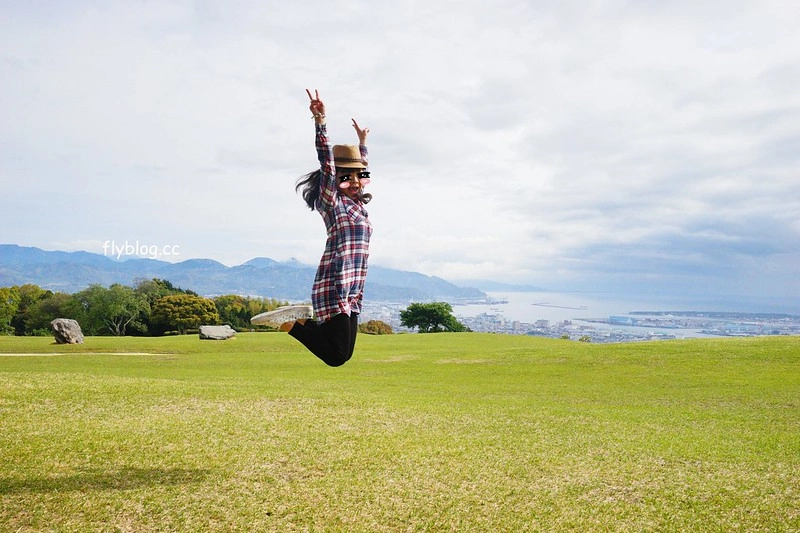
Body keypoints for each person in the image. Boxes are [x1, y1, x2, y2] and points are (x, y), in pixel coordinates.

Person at [251, 89, 372, 367]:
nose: (354, 182)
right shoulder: (332, 202)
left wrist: (361, 145)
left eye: (358, 177)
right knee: (336, 356)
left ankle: (300, 320)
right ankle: (289, 324)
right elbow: (327, 164)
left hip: (354, 287)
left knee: (343, 352)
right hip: (337, 282)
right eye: (346, 177)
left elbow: (359, 171)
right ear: (335, 180)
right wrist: (320, 123)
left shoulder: (358, 206)